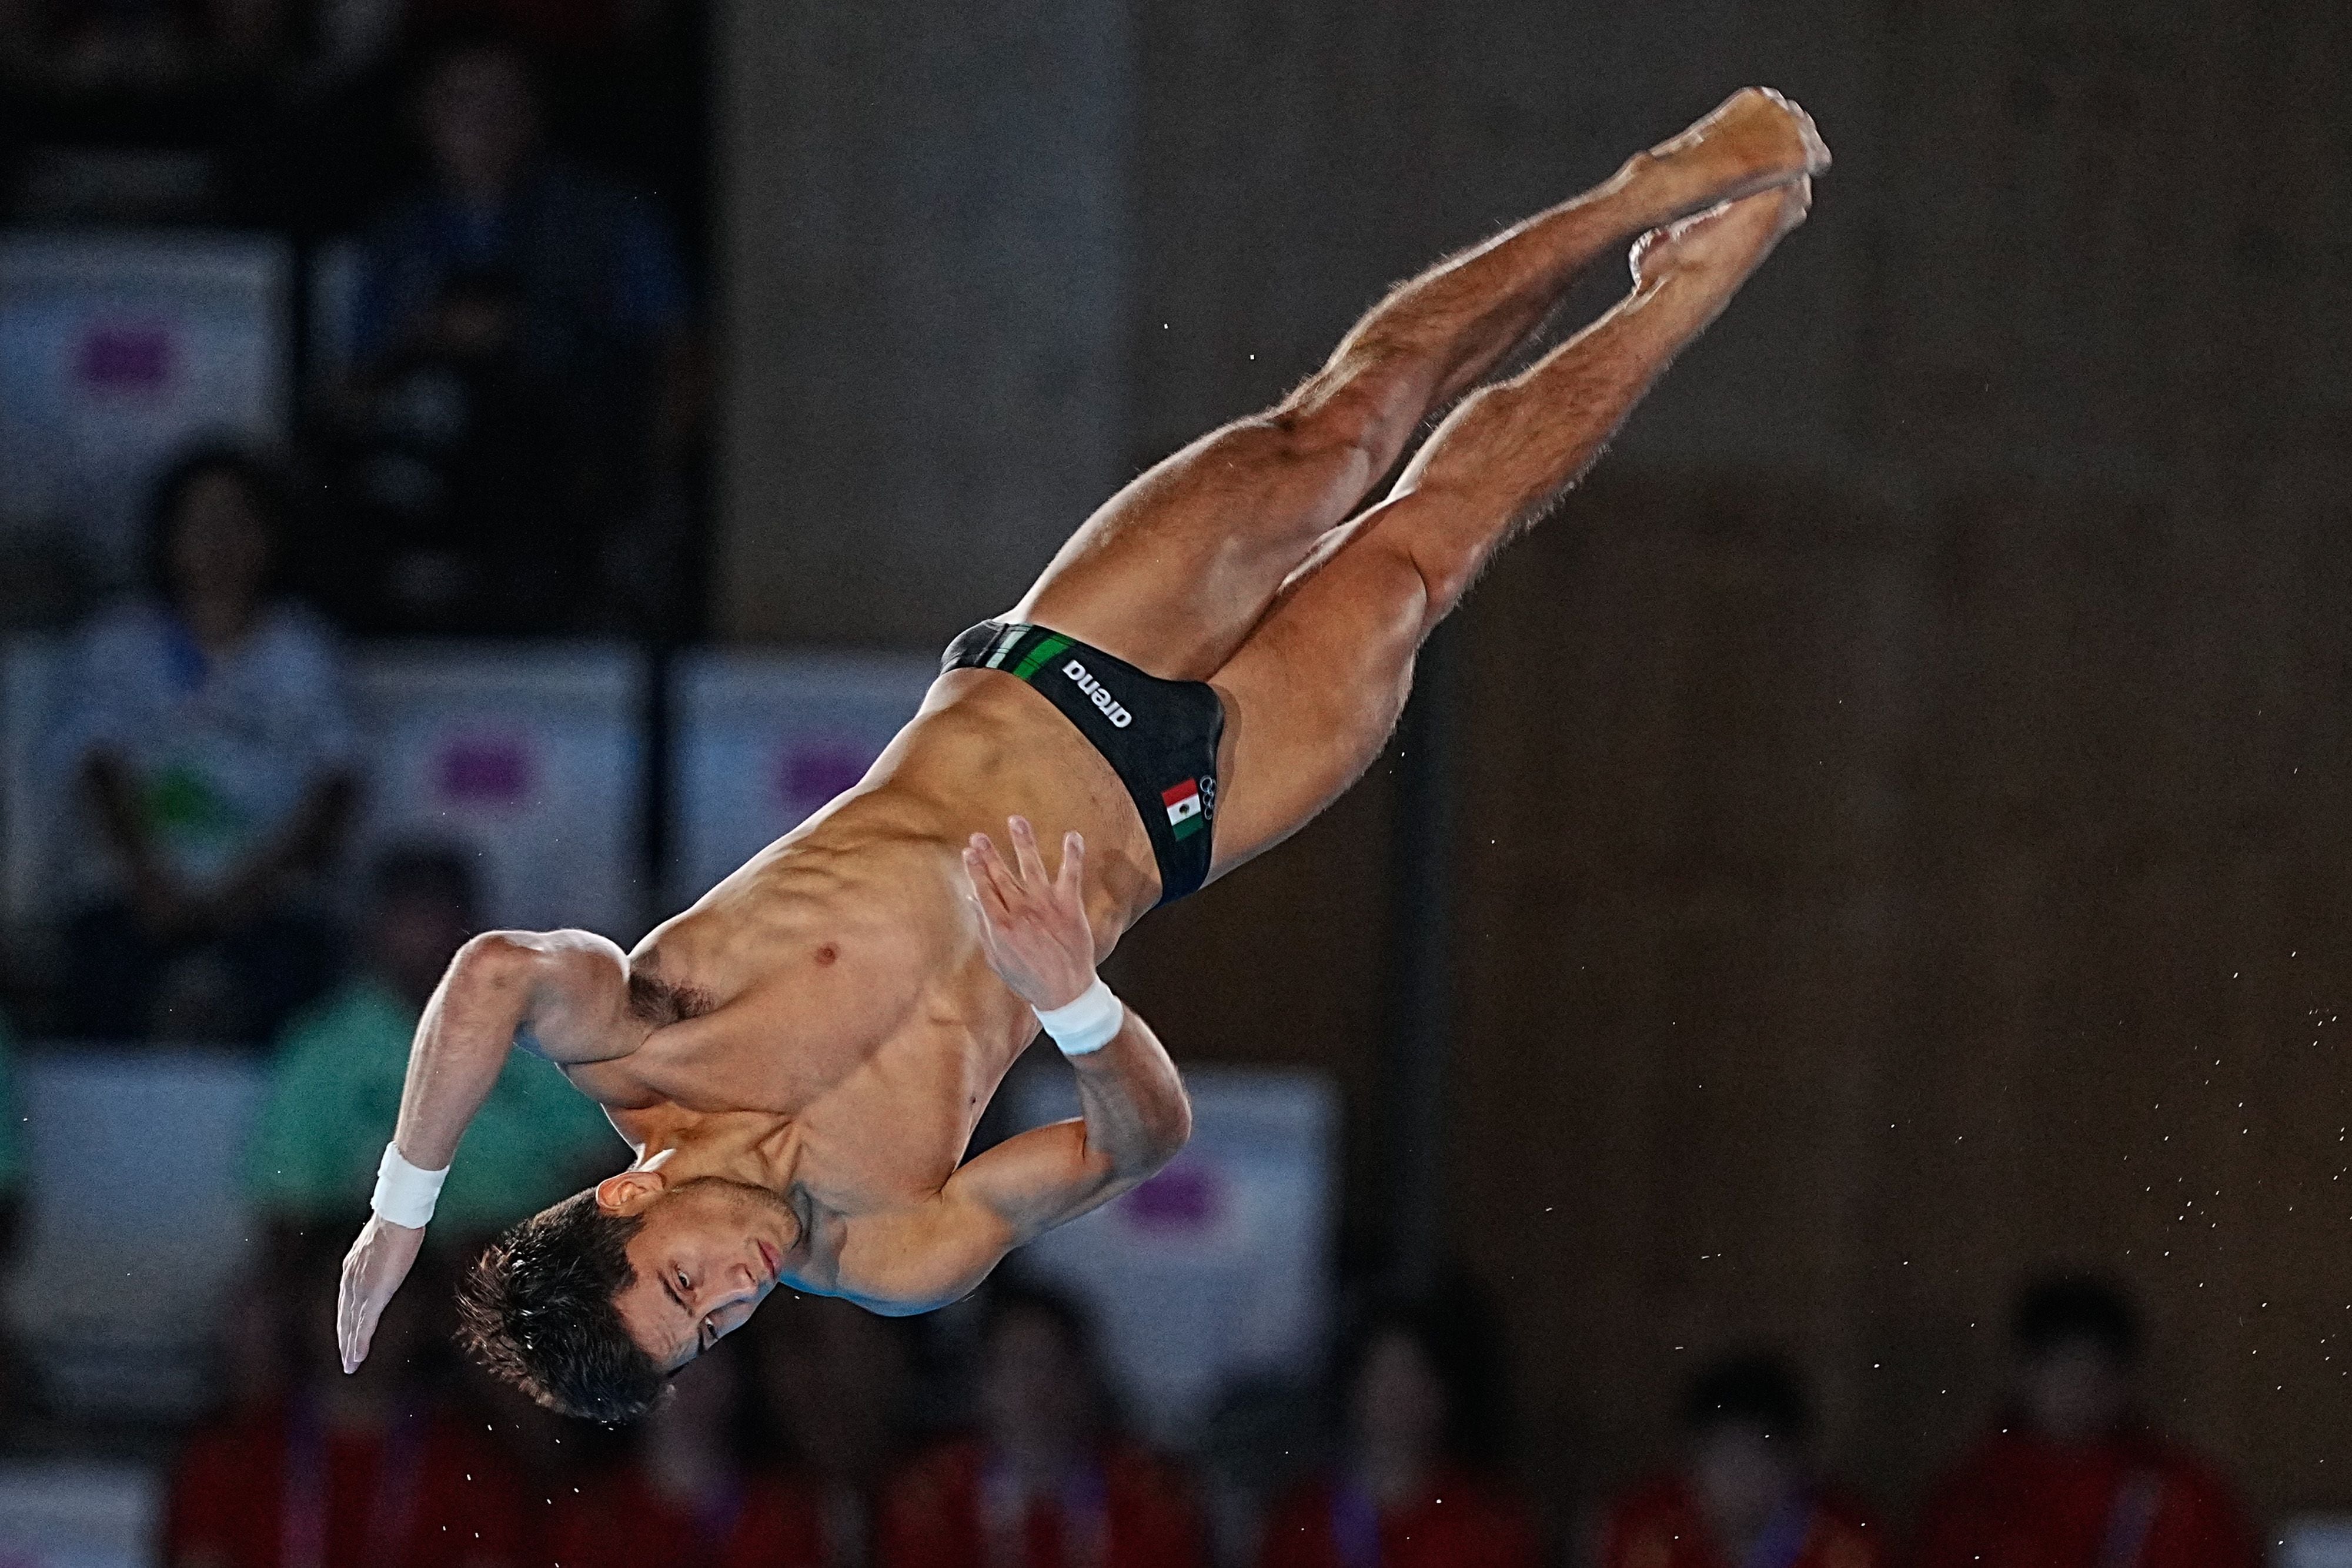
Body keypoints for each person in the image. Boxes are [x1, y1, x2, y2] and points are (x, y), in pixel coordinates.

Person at [338, 88, 1833, 1420]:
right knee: (1422, 564)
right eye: (707, 1334)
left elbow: (490, 973)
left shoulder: (647, 1038)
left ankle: (1640, 191)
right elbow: (1140, 1145)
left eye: (680, 1287)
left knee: (1345, 436)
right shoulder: (891, 1252)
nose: (732, 1299)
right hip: (1178, 820)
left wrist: (404, 1210)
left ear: (628, 1197)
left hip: (1056, 679)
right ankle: (1674, 299)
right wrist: (1071, 1005)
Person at [328, 28, 697, 633]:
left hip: (573, 464)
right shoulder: (397, 237)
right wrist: (429, 338)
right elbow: (353, 390)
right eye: (459, 100)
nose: (480, 121)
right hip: (437, 464)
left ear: (535, 113)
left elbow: (679, 358)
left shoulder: (611, 219)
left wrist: (646, 478)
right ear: (421, 114)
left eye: (501, 101)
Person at [57, 446, 358, 1042]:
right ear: (167, 536)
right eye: (201, 524)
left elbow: (337, 784)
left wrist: (252, 890)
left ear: (270, 538)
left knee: (294, 980)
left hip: (267, 903)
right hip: (136, 896)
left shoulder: (305, 650)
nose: (220, 543)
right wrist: (149, 880)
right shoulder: (118, 644)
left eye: (239, 523)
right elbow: (97, 768)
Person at [244, 845, 621, 1251]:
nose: (426, 936)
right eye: (409, 916)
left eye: (441, 914)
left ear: (476, 929)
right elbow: (288, 1206)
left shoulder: (540, 1035)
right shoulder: (324, 1046)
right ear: (371, 930)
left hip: (517, 1259)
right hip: (368, 1260)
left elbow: (598, 1174)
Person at [166, 1239, 530, 1568]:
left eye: (386, 1298)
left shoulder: (475, 1466)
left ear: (422, 1315)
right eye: (346, 1295)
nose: (362, 1319)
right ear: (304, 1307)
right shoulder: (227, 1459)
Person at [1910, 1276, 2259, 1568]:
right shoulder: (1974, 1497)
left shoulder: (2180, 1497)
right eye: (2061, 1369)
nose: (2079, 1391)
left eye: (2097, 1372)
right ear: (2022, 1373)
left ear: (2127, 1380)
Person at [876, 1281, 1207, 1568]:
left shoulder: (1151, 1494)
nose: (1036, 1389)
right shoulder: (930, 1495)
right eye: (1017, 1367)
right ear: (983, 1383)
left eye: (1053, 1366)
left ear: (1084, 1378)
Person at [1256, 1298, 1539, 1568]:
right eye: (1384, 1376)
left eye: (1414, 1375)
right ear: (1354, 1391)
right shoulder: (1303, 1519)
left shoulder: (1488, 1521)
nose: (1400, 1396)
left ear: (1442, 1393)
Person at [1597, 1354, 1883, 1568]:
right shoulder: (1645, 1532)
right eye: (1721, 1461)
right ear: (1689, 1462)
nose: (1737, 1481)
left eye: (1755, 1461)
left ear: (1796, 1462)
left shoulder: (1847, 1543)